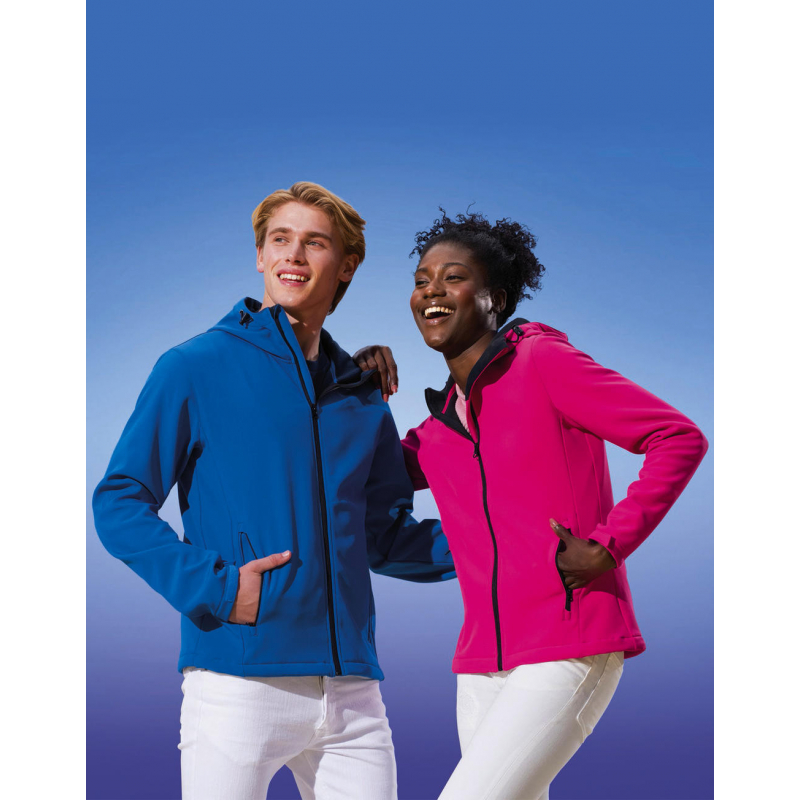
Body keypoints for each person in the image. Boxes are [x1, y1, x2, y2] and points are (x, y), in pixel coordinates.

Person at [92, 182, 455, 800]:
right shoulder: (195, 367)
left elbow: (383, 536)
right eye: (280, 239)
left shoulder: (361, 393)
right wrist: (219, 588)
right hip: (239, 683)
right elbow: (119, 500)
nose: (293, 254)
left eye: (315, 242)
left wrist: (497, 544)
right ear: (260, 256)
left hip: (352, 693)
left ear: (346, 266)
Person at [356, 209, 708, 800]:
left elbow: (677, 437)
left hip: (570, 640)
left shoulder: (543, 364)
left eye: (453, 277)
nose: (432, 291)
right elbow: (363, 480)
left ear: (495, 299)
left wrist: (609, 545)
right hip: (481, 661)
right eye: (421, 281)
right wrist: (359, 393)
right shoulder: (437, 430)